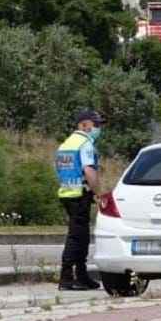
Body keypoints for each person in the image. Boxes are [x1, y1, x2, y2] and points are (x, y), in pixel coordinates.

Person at [54, 109, 106, 291]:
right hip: (80, 195)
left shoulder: (66, 144)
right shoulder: (85, 144)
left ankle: (80, 275)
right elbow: (89, 171)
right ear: (84, 125)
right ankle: (68, 277)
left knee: (79, 236)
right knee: (77, 237)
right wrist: (98, 193)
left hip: (67, 193)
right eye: (95, 125)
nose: (98, 128)